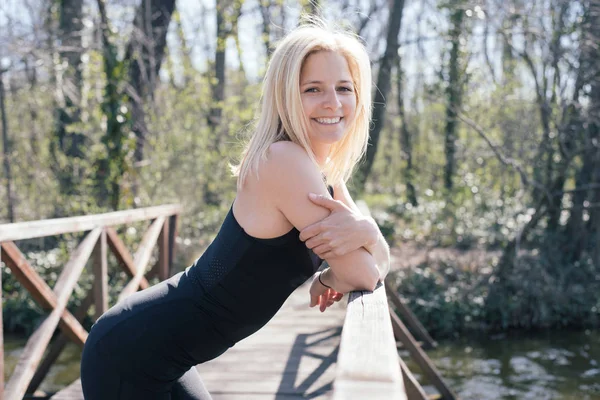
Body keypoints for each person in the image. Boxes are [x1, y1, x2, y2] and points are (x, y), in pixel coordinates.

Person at [80, 19, 390, 400]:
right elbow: (365, 272)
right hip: (129, 354)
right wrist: (352, 257)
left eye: (345, 88)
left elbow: (372, 266)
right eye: (313, 89)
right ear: (286, 97)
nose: (333, 102)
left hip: (164, 354)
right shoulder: (284, 160)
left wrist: (363, 242)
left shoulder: (322, 172)